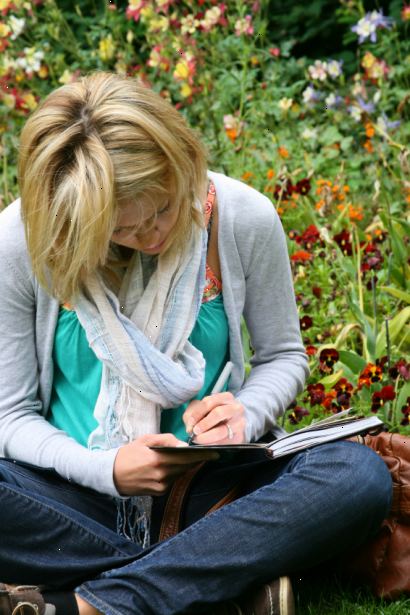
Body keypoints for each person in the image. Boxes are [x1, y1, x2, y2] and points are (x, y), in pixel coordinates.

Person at [0, 72, 391, 615]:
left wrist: (245, 415)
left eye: (164, 207)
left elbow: (283, 356)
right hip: (71, 494)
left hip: (212, 491)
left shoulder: (241, 216)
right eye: (124, 230)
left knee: (358, 477)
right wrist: (108, 470)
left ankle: (85, 605)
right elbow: (11, 415)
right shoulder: (23, 241)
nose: (154, 234)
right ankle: (220, 583)